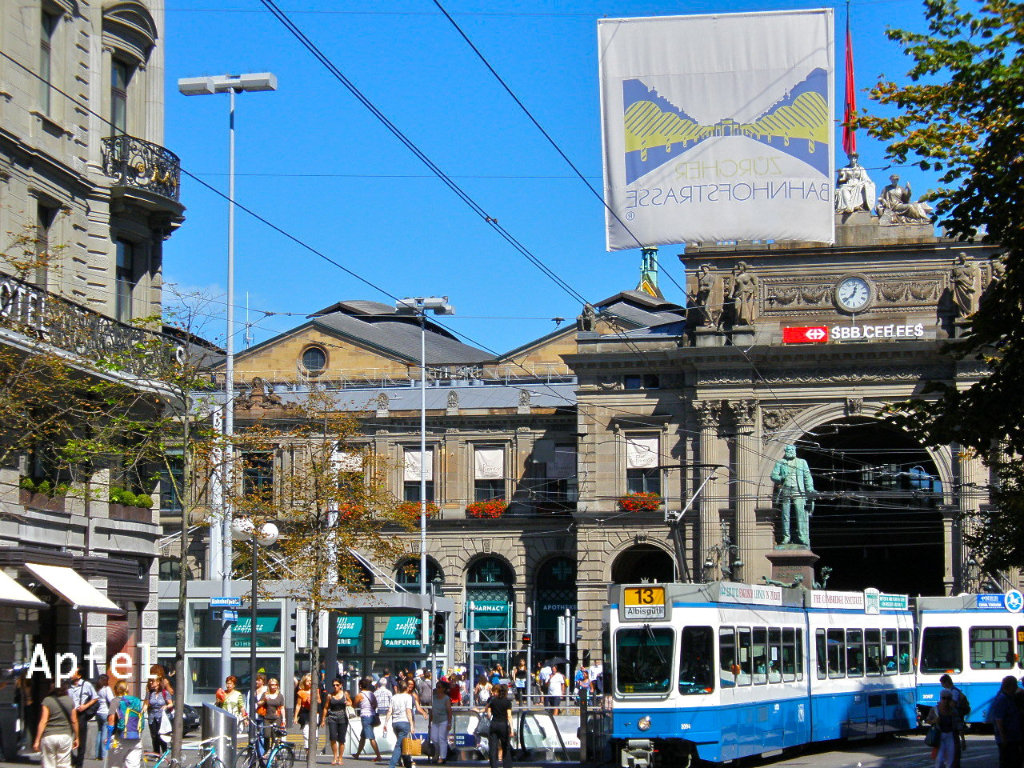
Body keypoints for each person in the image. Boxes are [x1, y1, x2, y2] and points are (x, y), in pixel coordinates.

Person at [771, 444, 815, 548]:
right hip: (786, 490)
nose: (790, 451)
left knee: (800, 513)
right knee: (785, 515)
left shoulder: (802, 462)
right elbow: (773, 475)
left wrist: (810, 490)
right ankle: (786, 536)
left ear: (795, 451)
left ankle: (801, 535)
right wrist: (781, 478)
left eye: (792, 449)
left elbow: (807, 477)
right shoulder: (780, 462)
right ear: (785, 451)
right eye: (788, 450)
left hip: (798, 490)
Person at [35, 681, 78, 768]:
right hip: (65, 736)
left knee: (48, 764)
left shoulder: (47, 700)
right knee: (64, 764)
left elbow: (43, 721)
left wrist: (37, 740)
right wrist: (77, 737)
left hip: (49, 736)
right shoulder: (70, 701)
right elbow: (74, 721)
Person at [386, 678, 424, 768]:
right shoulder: (408, 697)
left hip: (395, 722)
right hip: (404, 722)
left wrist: (385, 722)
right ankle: (391, 765)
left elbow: (389, 710)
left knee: (403, 743)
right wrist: (411, 725)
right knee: (399, 745)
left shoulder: (394, 697)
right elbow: (408, 711)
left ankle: (408, 764)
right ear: (406, 688)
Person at [107, 679, 143, 768]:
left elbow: (111, 719)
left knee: (115, 765)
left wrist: (108, 737)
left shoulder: (115, 701)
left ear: (116, 689)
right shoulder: (134, 701)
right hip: (136, 738)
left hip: (120, 738)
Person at [67, 667, 97, 768]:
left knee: (81, 740)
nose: (71, 674)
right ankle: (72, 760)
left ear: (79, 676)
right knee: (66, 739)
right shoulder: (68, 685)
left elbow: (95, 697)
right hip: (70, 714)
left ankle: (79, 765)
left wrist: (85, 706)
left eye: (73, 672)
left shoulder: (86, 685)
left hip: (81, 715)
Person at [990, 675, 1021, 768]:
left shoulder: (1009, 698)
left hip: (1013, 737)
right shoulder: (1002, 699)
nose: (1016, 687)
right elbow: (999, 720)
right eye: (1015, 685)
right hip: (1008, 738)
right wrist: (1003, 737)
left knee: (1015, 761)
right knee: (1008, 761)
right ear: (1010, 686)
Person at [926, 688, 962, 768]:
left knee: (950, 760)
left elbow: (959, 725)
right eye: (944, 698)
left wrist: (962, 740)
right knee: (939, 759)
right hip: (939, 736)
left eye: (948, 698)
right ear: (940, 698)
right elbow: (928, 720)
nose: (945, 701)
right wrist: (934, 721)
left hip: (950, 736)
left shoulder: (953, 711)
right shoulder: (934, 709)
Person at [322, 678, 352, 766]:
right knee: (333, 738)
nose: (335, 687)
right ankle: (335, 756)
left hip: (343, 718)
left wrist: (348, 703)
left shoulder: (345, 694)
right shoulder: (330, 696)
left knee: (342, 739)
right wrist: (323, 719)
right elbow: (325, 708)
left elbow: (351, 702)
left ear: (341, 685)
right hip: (332, 718)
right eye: (334, 685)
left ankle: (340, 757)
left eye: (337, 685)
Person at [352, 677, 383, 761]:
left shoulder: (360, 695)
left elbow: (354, 705)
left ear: (360, 686)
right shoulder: (371, 694)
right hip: (372, 716)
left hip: (365, 716)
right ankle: (357, 754)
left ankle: (378, 755)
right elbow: (375, 704)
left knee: (371, 737)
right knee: (363, 736)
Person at [485, 684, 513, 768]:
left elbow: (489, 714)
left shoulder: (493, 701)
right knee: (506, 747)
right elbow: (509, 716)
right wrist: (511, 729)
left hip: (494, 724)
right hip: (503, 724)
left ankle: (493, 766)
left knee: (493, 747)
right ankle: (507, 765)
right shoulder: (507, 702)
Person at [938, 674, 968, 753]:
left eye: (943, 683)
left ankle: (960, 744)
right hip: (953, 717)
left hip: (955, 716)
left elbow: (953, 704)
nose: (942, 685)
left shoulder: (954, 691)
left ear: (947, 682)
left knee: (956, 732)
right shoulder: (952, 691)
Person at [142, 676, 172, 754]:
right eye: (150, 681)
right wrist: (141, 712)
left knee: (161, 735)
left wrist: (166, 706)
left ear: (158, 682)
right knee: (154, 735)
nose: (150, 683)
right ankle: (156, 753)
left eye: (152, 681)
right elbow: (146, 704)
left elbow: (171, 704)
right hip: (152, 717)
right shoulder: (149, 693)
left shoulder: (165, 693)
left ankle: (164, 751)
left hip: (161, 717)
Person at [257, 678, 286, 754]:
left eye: (275, 685)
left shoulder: (280, 696)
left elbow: (282, 708)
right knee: (266, 735)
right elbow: (259, 703)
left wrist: (283, 719)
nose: (273, 686)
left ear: (277, 686)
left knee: (274, 736)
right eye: (271, 685)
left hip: (276, 718)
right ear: (268, 685)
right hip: (267, 718)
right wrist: (264, 700)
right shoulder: (265, 694)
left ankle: (274, 753)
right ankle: (266, 750)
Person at [429, 681, 452, 765]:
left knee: (442, 738)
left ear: (443, 689)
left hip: (444, 720)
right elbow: (432, 710)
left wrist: (449, 723)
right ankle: (437, 752)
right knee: (434, 738)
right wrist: (429, 721)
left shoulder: (446, 698)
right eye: (437, 686)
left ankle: (442, 757)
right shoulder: (434, 698)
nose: (437, 688)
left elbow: (449, 711)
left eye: (439, 687)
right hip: (435, 721)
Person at [729, 261, 759, 326]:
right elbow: (733, 286)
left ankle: (746, 322)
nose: (740, 267)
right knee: (737, 307)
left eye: (741, 266)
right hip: (739, 294)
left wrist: (753, 291)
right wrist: (731, 294)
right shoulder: (737, 276)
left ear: (744, 267)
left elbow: (755, 284)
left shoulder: (749, 275)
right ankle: (737, 321)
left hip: (747, 294)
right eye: (739, 266)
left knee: (747, 309)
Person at [94, 674, 115, 760]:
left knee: (99, 732)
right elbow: (111, 700)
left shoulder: (97, 689)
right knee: (105, 733)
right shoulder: (106, 689)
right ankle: (103, 755)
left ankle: (97, 754)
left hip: (98, 713)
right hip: (105, 712)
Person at [294, 674, 316, 751]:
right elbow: (298, 705)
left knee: (315, 734)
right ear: (304, 682)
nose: (310, 682)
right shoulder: (301, 692)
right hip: (305, 713)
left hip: (315, 713)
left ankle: (313, 751)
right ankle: (307, 751)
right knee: (306, 732)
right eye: (308, 681)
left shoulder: (316, 691)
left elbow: (320, 701)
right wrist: (295, 716)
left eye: (311, 681)